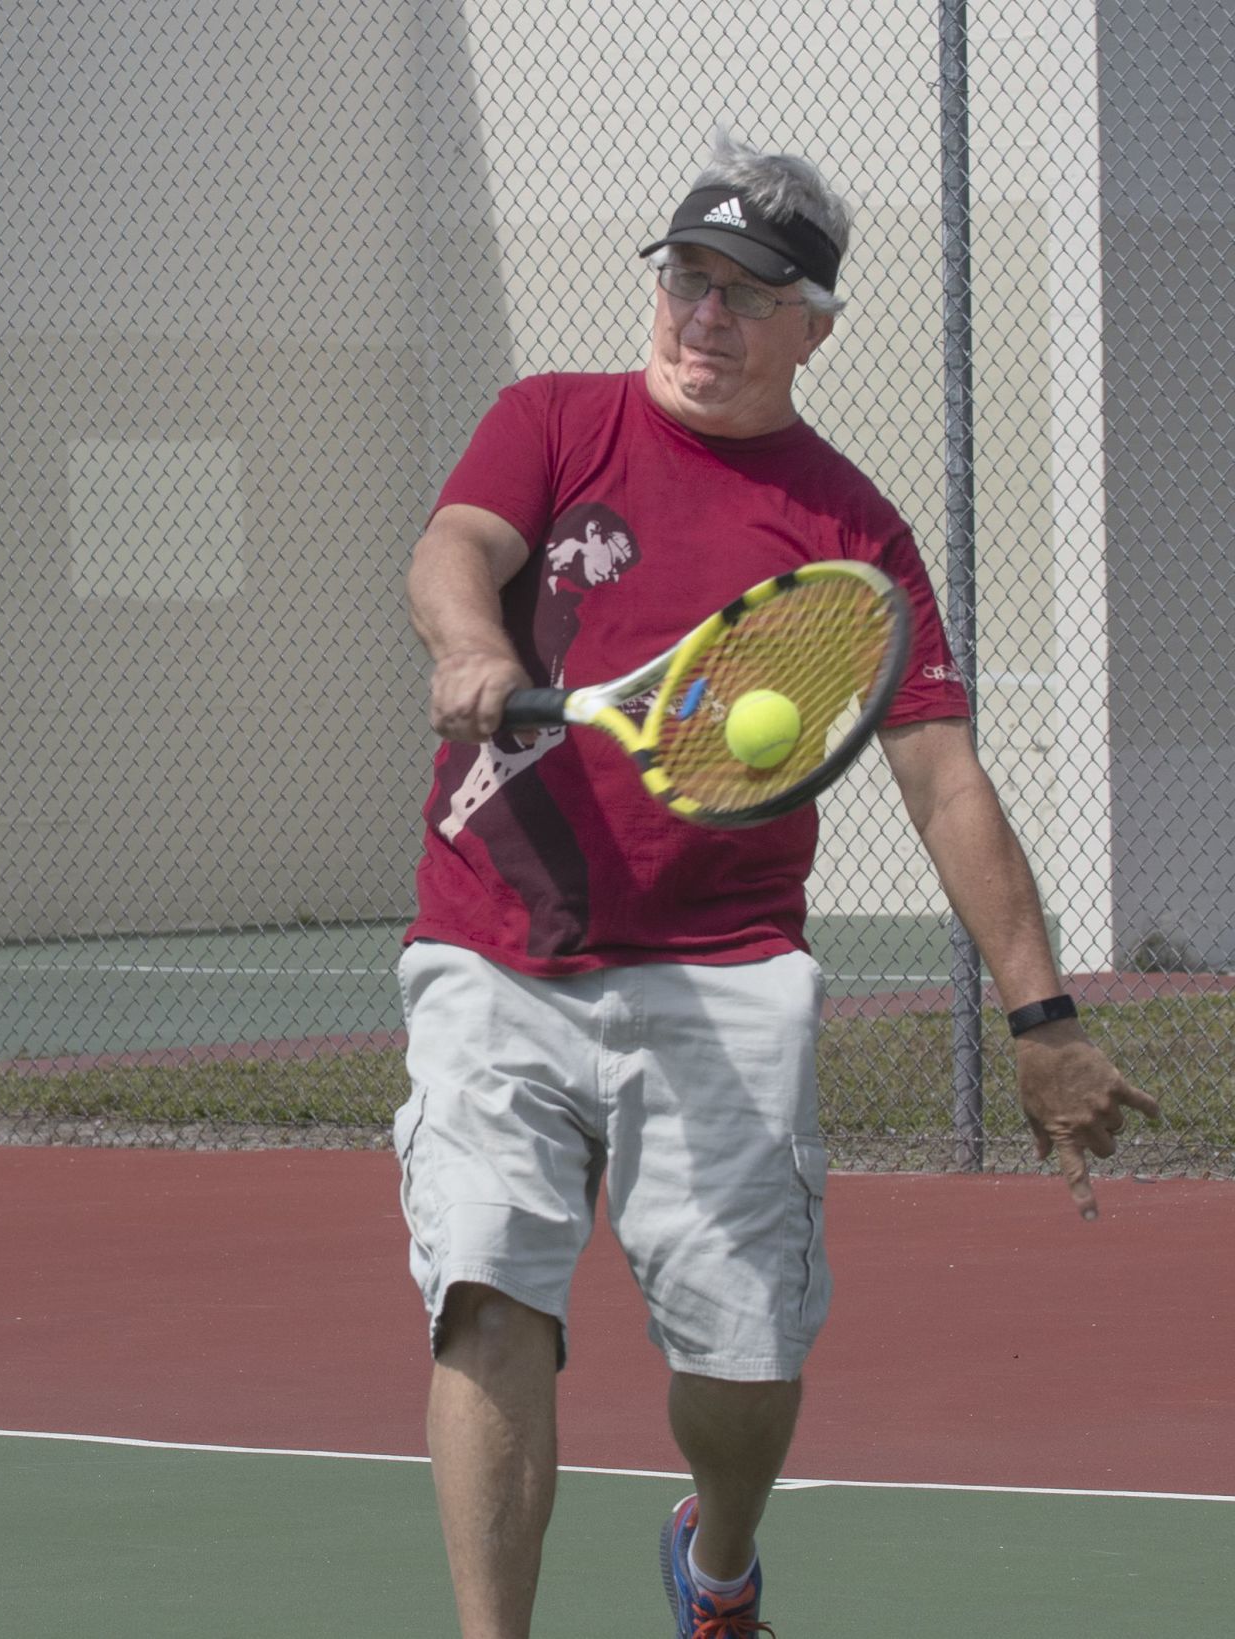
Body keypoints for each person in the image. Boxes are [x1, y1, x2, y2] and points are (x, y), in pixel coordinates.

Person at [396, 128, 1159, 1639]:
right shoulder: (554, 420)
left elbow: (944, 779)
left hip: (724, 972)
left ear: (813, 323)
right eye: (687, 276)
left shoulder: (848, 536)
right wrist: (473, 643)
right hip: (493, 953)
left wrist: (1045, 1015)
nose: (705, 315)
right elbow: (454, 547)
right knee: (489, 1294)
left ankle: (721, 1557)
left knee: (742, 1363)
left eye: (749, 291)